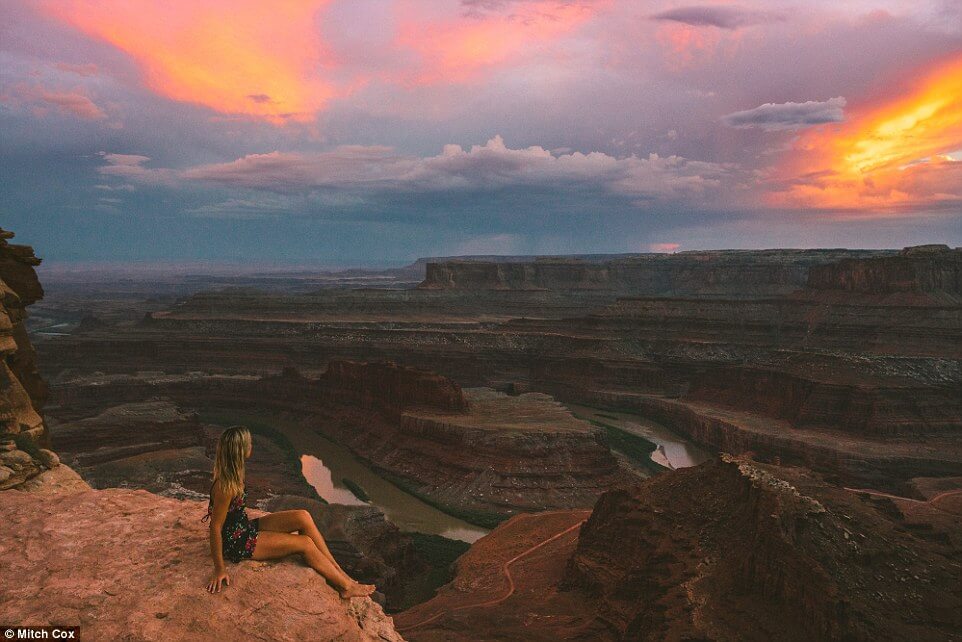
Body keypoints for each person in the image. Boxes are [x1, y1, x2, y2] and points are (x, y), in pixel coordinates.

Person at [204, 425, 376, 598]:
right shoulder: (225, 487)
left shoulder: (235, 473)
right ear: (240, 450)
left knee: (302, 516)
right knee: (305, 543)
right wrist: (219, 569)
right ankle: (345, 587)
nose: (252, 446)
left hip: (244, 527)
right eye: (249, 443)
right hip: (237, 543)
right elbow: (215, 527)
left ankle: (338, 570)